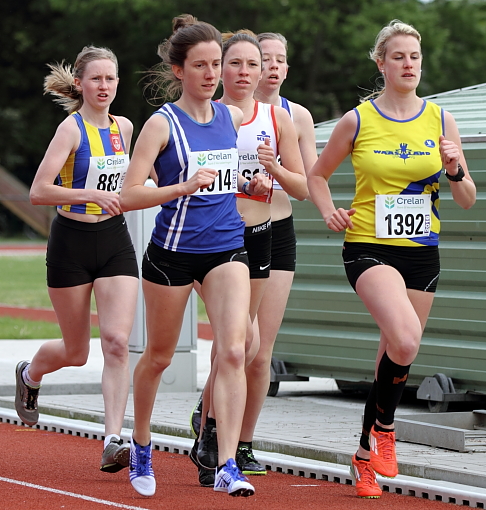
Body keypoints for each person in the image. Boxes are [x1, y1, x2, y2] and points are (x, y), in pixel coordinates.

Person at [307, 20, 476, 499]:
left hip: (422, 252)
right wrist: (328, 211)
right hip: (368, 247)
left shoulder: (441, 119)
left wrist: (455, 168)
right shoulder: (358, 120)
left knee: (394, 352)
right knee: (406, 338)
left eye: (415, 57)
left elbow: (467, 198)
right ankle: (385, 427)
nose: (408, 64)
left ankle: (363, 458)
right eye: (398, 56)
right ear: (381, 63)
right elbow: (317, 176)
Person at [119, 15, 269, 498]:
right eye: (200, 66)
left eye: (216, 65)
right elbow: (129, 193)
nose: (211, 74)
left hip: (227, 248)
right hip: (172, 254)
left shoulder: (232, 117)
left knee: (234, 349)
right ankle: (141, 445)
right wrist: (180, 187)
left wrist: (249, 184)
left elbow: (224, 178)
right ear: (179, 70)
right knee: (159, 356)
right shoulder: (162, 124)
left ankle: (227, 462)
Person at [189, 29, 306, 486]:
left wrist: (271, 174)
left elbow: (302, 185)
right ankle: (214, 430)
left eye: (252, 65)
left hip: (269, 233)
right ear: (220, 68)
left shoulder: (278, 119)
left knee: (255, 348)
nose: (244, 72)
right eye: (234, 64)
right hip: (218, 237)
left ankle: (225, 435)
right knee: (241, 341)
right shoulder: (203, 117)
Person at [15, 46, 139, 475]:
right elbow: (38, 191)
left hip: (114, 242)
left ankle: (113, 439)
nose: (104, 86)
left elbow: (142, 177)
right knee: (77, 351)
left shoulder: (124, 127)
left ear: (118, 82)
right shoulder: (70, 129)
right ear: (81, 85)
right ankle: (30, 375)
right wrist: (91, 194)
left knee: (117, 343)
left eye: (111, 78)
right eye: (96, 79)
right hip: (71, 242)